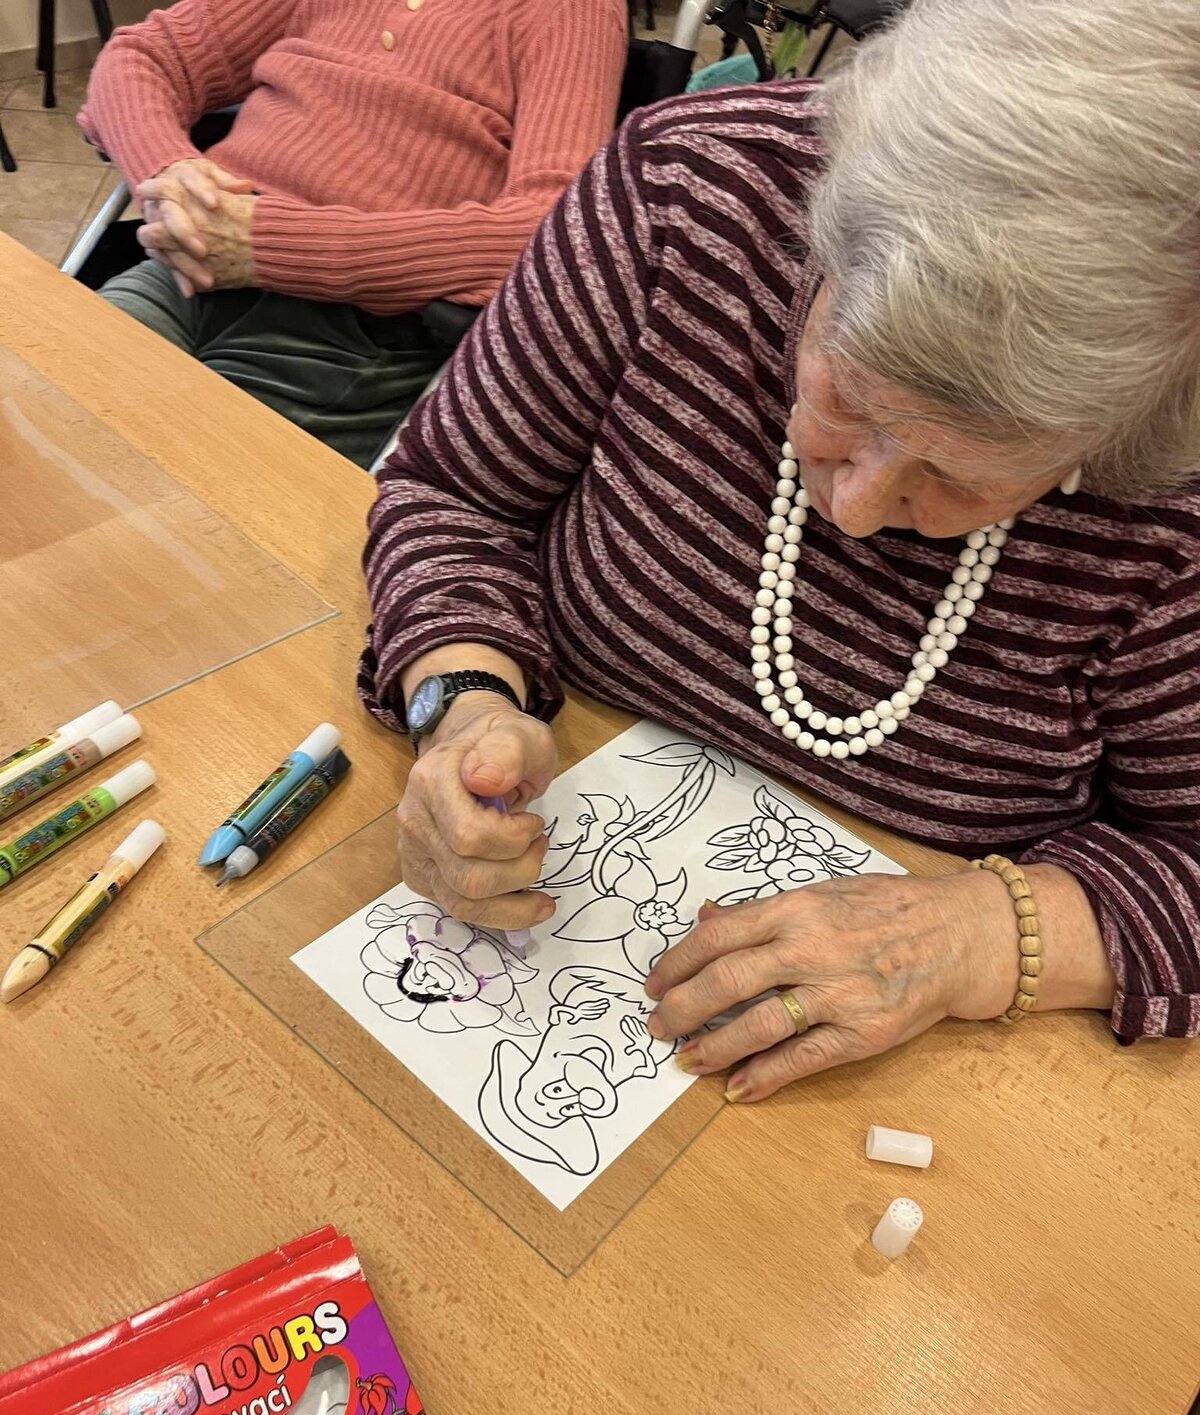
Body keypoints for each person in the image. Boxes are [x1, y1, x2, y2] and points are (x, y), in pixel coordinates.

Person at [359, 0, 1200, 1102]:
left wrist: (981, 935)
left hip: (918, 1087)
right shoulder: (692, 190)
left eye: (959, 474)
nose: (856, 505)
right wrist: (462, 699)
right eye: (846, 397)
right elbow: (450, 491)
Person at [77, 0, 626, 467]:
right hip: (192, 264)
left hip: (347, 334)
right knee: (49, 405)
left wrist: (267, 245)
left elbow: (553, 232)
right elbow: (142, 56)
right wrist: (169, 172)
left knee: (159, 498)